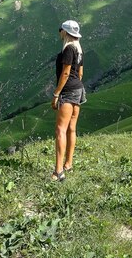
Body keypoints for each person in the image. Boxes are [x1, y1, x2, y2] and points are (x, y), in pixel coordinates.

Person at [51, 20, 85, 182]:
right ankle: (68, 164)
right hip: (78, 89)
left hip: (68, 91)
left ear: (65, 32)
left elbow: (65, 73)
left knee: (60, 130)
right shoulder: (78, 49)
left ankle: (58, 171)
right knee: (72, 128)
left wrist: (57, 94)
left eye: (60, 30)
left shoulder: (68, 50)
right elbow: (80, 74)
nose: (59, 33)